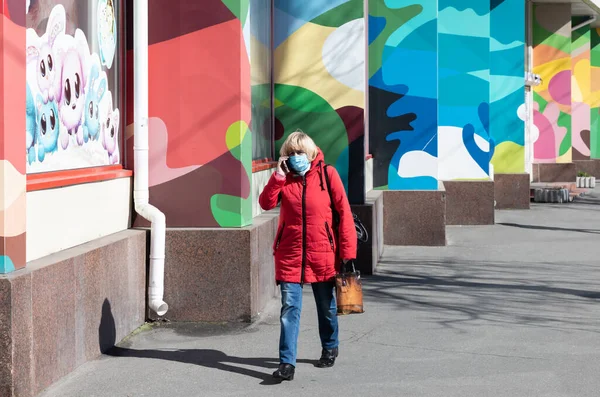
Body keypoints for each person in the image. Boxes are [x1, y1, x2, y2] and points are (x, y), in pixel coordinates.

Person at [259, 130, 357, 381]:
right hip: (290, 254)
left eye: (300, 152)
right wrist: (278, 176)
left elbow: (344, 213)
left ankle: (330, 345)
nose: (296, 157)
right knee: (289, 308)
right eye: (291, 153)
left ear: (311, 152)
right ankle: (287, 363)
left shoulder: (328, 174)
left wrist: (347, 252)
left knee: (326, 307)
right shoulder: (284, 180)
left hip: (323, 253)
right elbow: (266, 203)